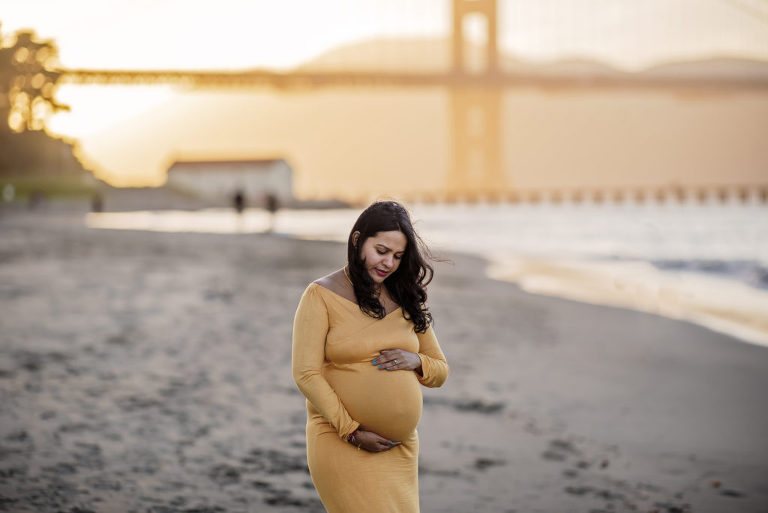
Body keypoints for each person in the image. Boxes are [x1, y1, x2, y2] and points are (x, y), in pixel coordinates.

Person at [292, 200, 449, 513]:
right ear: (357, 240)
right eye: (381, 250)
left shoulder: (405, 298)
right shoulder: (320, 295)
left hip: (400, 450)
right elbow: (305, 373)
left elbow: (441, 371)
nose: (388, 262)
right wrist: (351, 431)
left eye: (397, 256)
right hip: (341, 439)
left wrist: (416, 361)